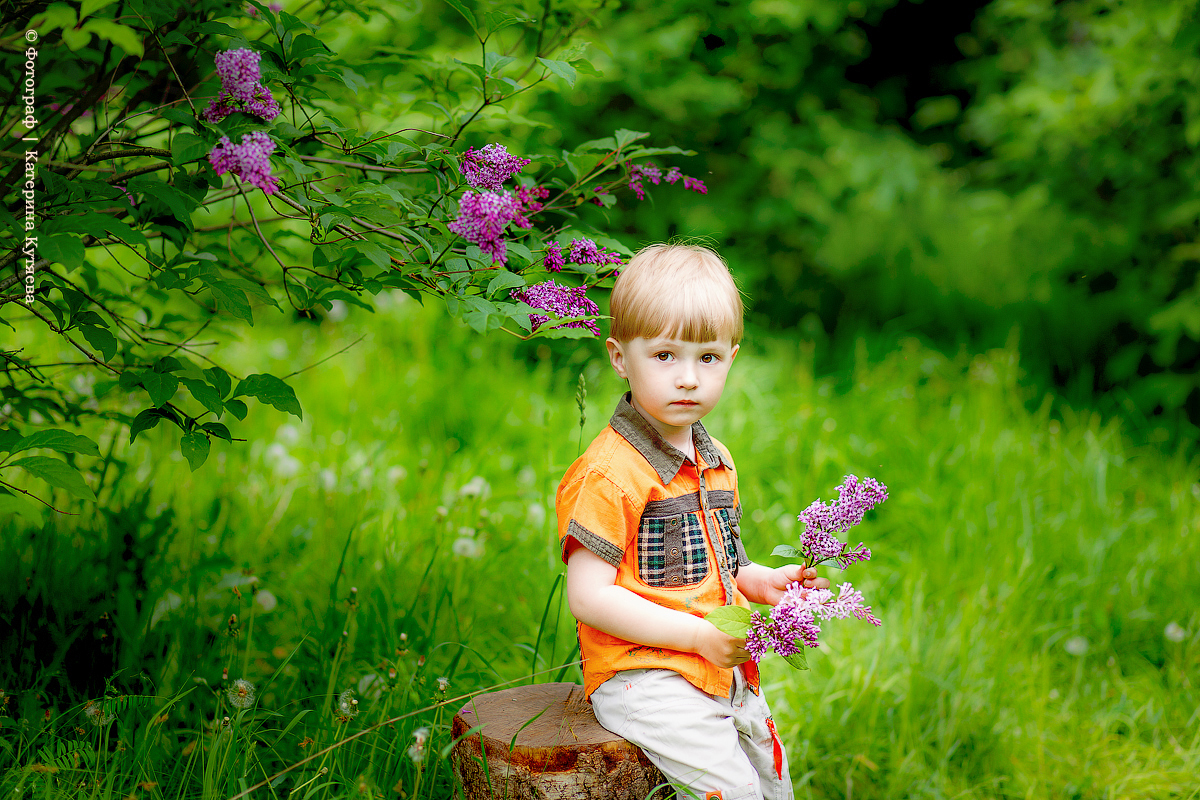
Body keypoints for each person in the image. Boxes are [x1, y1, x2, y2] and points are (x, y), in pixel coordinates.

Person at [557, 243, 829, 800]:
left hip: (720, 667)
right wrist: (698, 636)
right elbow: (588, 597)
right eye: (664, 356)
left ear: (731, 357)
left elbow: (715, 563)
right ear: (618, 357)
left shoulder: (716, 459)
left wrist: (756, 580)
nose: (687, 378)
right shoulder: (611, 473)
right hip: (645, 676)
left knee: (775, 784)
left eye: (706, 357)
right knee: (732, 793)